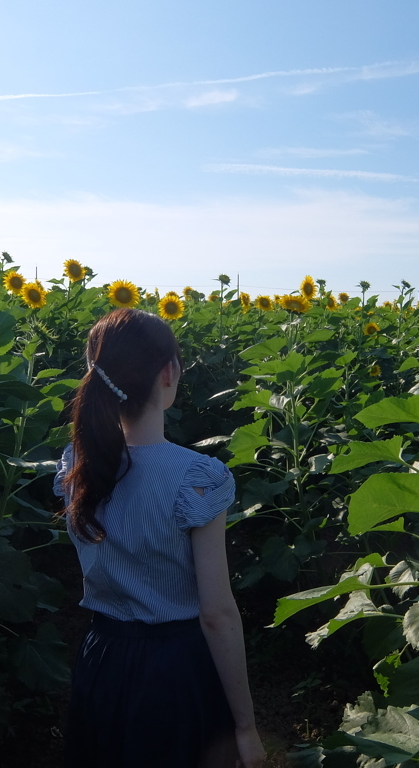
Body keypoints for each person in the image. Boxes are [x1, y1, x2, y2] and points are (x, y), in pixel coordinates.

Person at [54, 307, 264, 768]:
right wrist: (246, 726)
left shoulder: (76, 466)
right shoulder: (198, 476)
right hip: (176, 671)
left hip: (102, 660)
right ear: (169, 372)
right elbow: (216, 614)